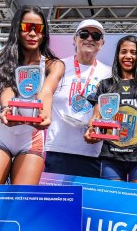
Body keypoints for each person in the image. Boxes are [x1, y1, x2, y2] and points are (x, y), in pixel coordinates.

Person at [0, 5, 64, 185]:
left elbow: (46, 92)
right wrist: (7, 109)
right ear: (17, 28)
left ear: (44, 32)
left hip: (31, 138)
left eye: (38, 28)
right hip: (2, 134)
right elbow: (5, 87)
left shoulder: (53, 65)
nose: (33, 33)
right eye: (27, 27)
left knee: (20, 202)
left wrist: (44, 115)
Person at [85, 35, 137, 184]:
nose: (128, 56)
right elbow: (95, 118)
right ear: (117, 55)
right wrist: (90, 132)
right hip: (111, 156)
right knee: (115, 203)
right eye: (123, 52)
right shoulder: (105, 85)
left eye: (133, 52)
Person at [44, 19, 112, 178]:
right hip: (59, 147)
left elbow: (107, 110)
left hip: (91, 151)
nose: (89, 38)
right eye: (84, 34)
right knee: (57, 201)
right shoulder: (58, 66)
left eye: (95, 36)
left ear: (101, 43)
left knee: (85, 201)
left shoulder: (108, 73)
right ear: (74, 39)